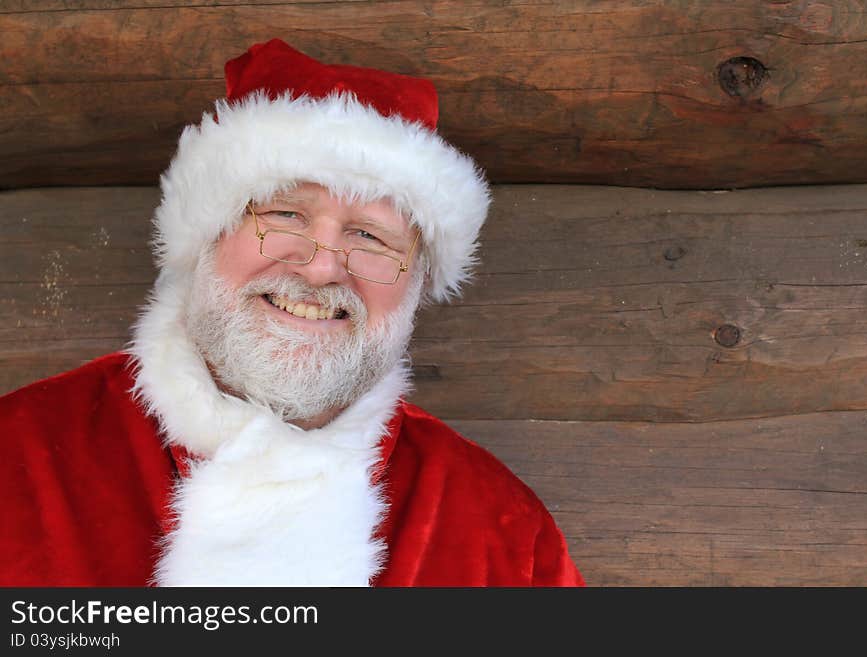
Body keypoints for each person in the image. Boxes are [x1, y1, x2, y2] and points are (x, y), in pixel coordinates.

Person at [0, 39, 584, 586]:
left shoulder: (508, 541)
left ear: (416, 280)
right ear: (207, 234)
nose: (322, 268)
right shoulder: (17, 458)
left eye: (371, 237)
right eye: (285, 216)